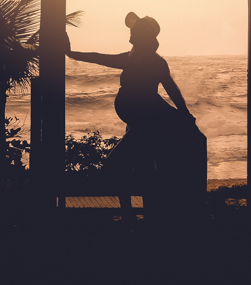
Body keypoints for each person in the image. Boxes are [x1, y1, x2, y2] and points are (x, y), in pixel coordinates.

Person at [66, 11, 198, 216]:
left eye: (134, 30)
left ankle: (135, 216)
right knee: (143, 169)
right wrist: (72, 54)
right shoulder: (131, 58)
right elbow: (99, 58)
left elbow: (171, 89)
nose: (130, 31)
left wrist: (185, 114)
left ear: (143, 35)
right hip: (136, 124)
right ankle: (139, 217)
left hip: (144, 125)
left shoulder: (154, 62)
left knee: (115, 166)